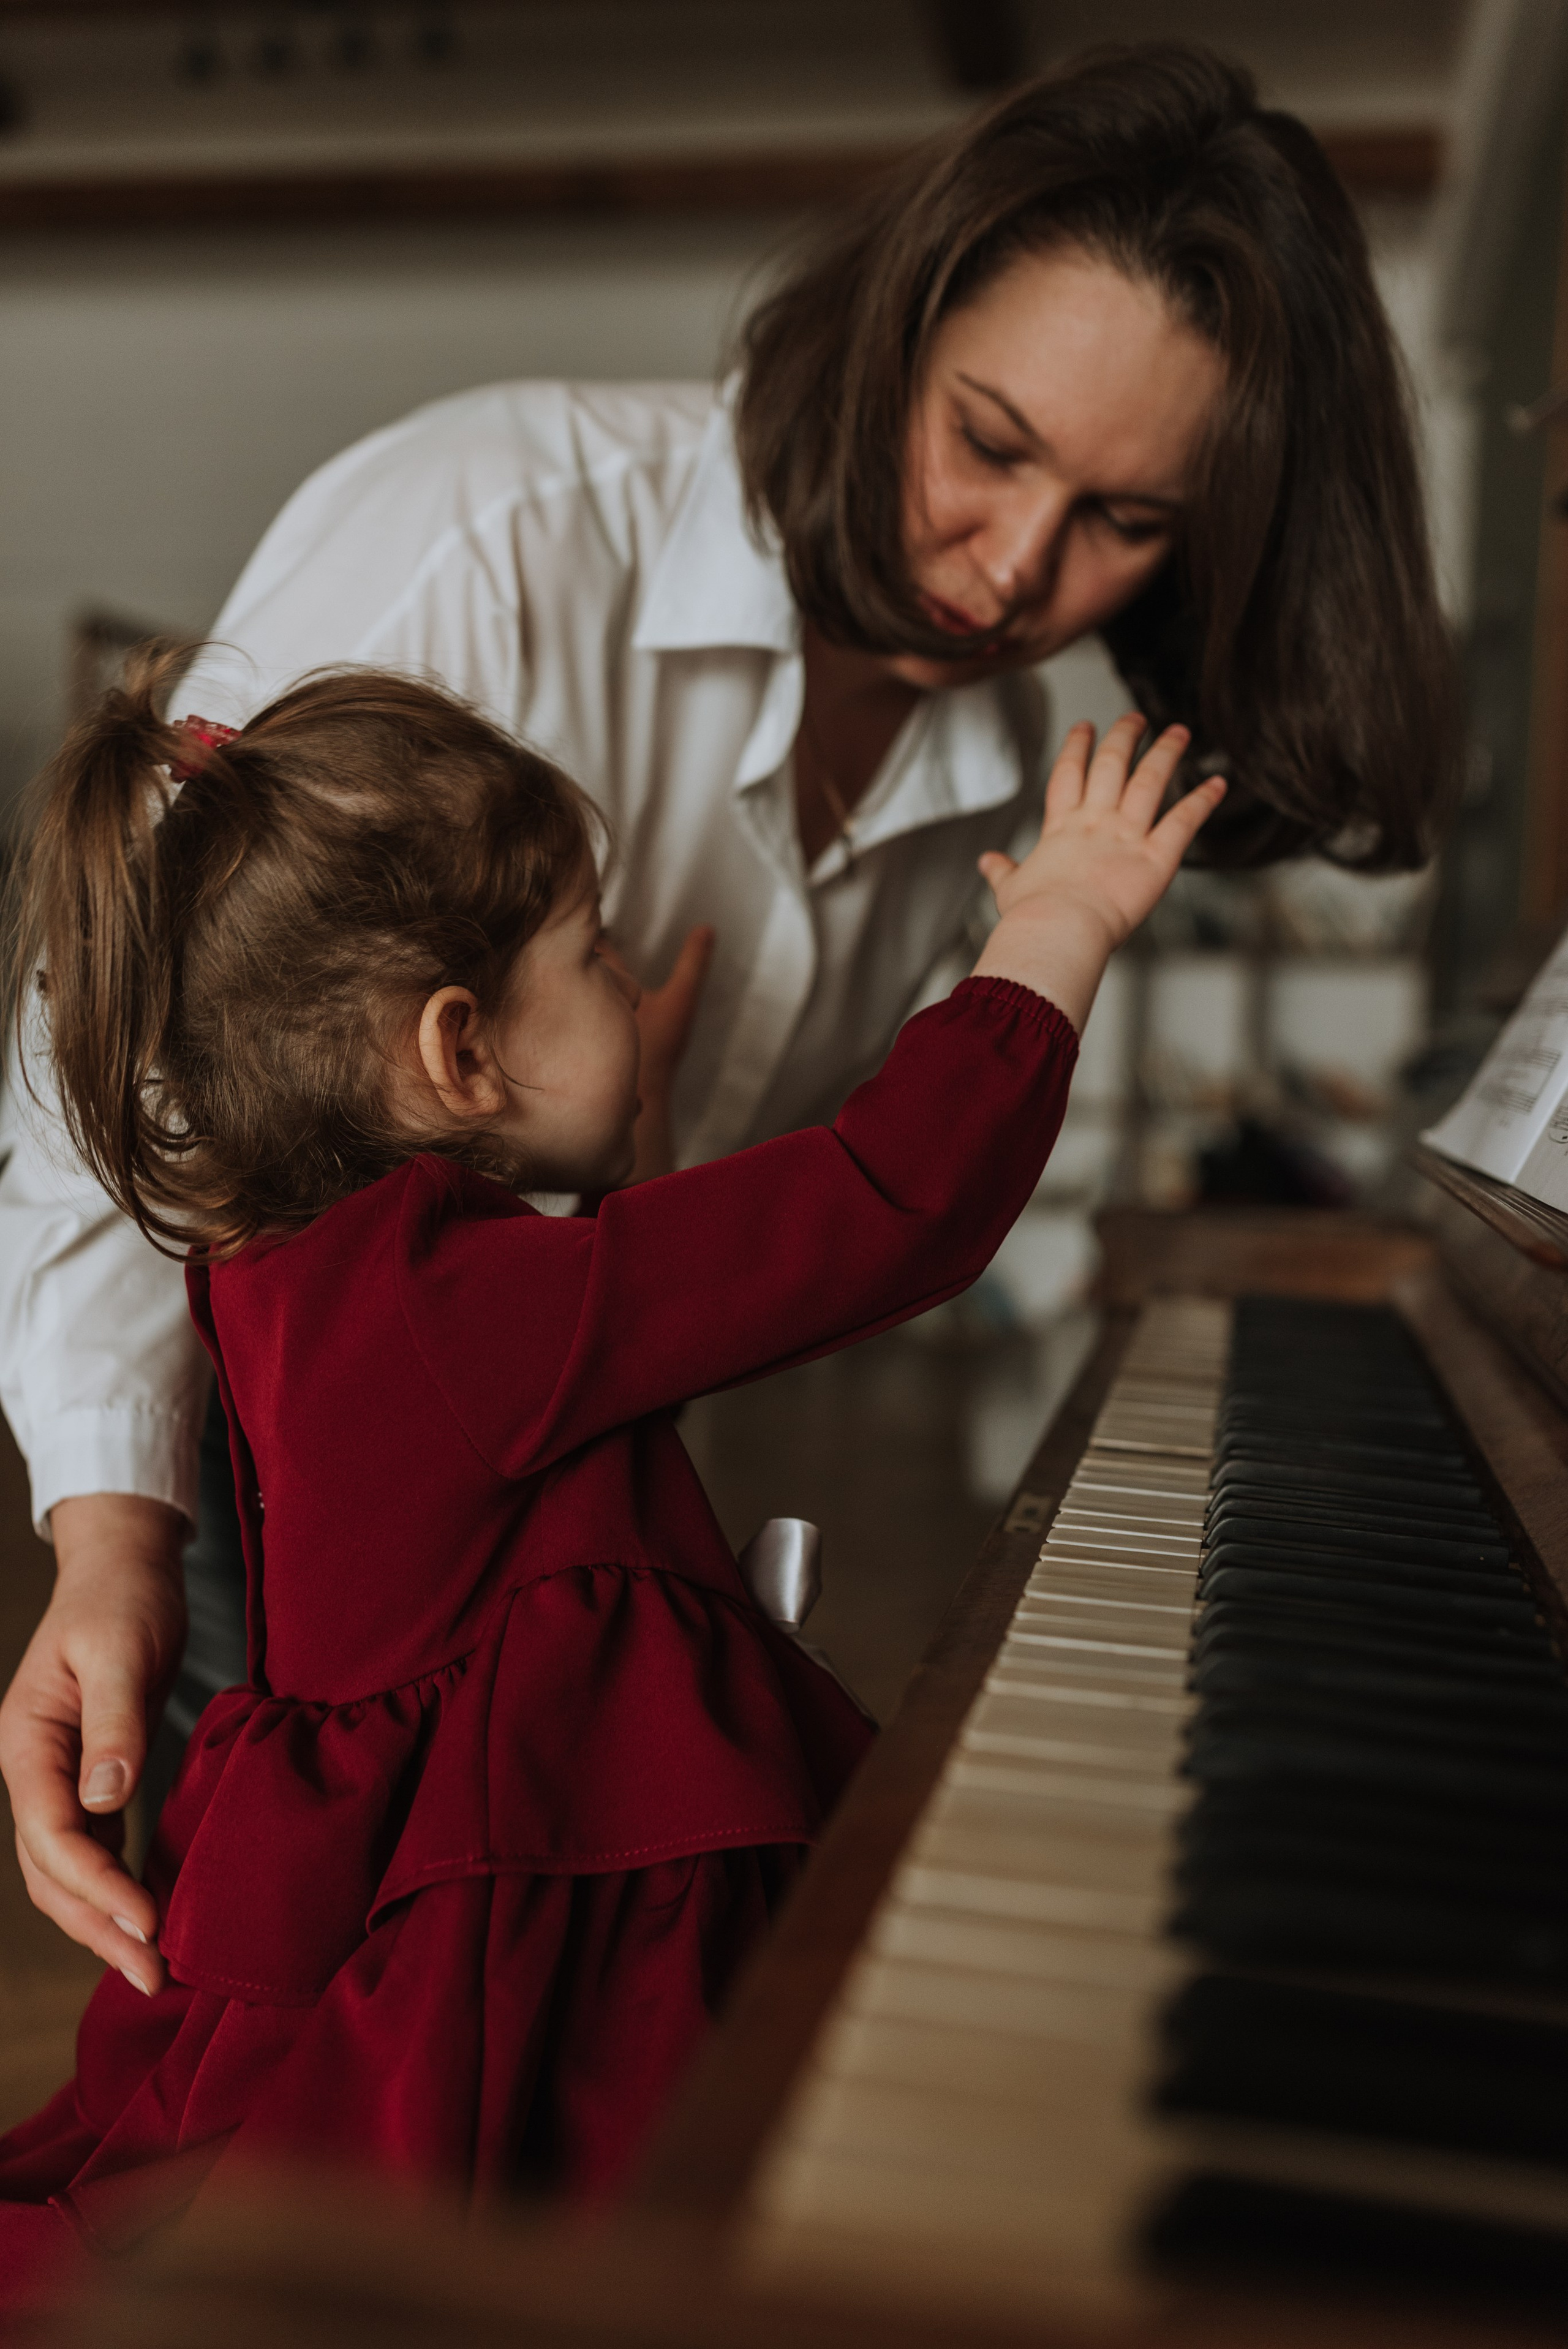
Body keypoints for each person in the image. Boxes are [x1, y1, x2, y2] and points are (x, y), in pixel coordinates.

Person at [0, 42, 1457, 2003]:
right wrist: (107, 1534)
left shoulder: (1014, 741)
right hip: (264, 1536)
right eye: (991, 441)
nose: (1019, 569)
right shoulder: (494, 530)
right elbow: (134, 1060)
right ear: (895, 330)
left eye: (1125, 518)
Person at [0, 655, 1220, 2281]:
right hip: (534, 1927)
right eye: (596, 949)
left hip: (430, 1843)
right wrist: (1057, 927)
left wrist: (575, 1100)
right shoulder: (466, 1311)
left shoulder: (290, 1253)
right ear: (458, 1056)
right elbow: (888, 1199)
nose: (635, 982)